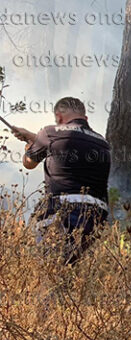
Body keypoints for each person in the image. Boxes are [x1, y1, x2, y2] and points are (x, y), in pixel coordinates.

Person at [11, 97, 111, 264]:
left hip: (63, 209)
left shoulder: (50, 132)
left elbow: (29, 163)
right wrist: (32, 136)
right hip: (97, 215)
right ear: (85, 118)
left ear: (58, 117)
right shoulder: (103, 142)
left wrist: (30, 146)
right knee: (69, 266)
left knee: (46, 266)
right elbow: (67, 144)